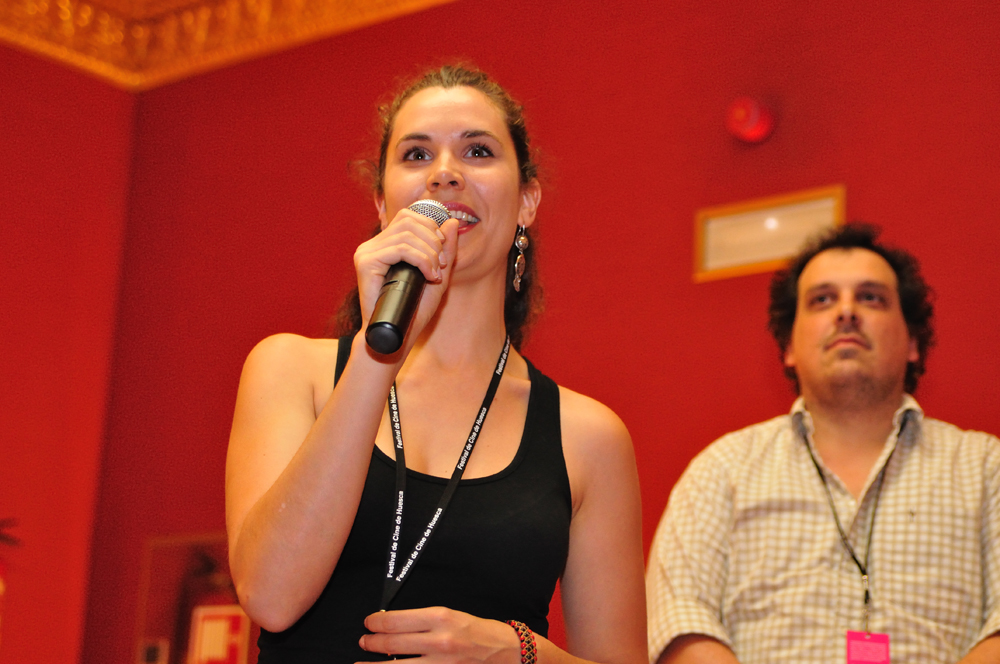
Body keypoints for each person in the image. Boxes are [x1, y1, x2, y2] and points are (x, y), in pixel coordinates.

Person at [225, 65, 646, 663]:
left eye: (478, 151)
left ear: (527, 201)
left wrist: (521, 652)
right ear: (382, 203)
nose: (445, 173)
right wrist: (378, 353)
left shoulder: (589, 437)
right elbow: (270, 596)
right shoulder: (292, 370)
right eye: (417, 154)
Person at [646, 223, 1000, 664]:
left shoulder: (986, 468)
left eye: (871, 298)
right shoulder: (721, 470)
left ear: (912, 341)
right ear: (789, 346)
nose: (846, 312)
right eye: (822, 300)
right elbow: (679, 622)